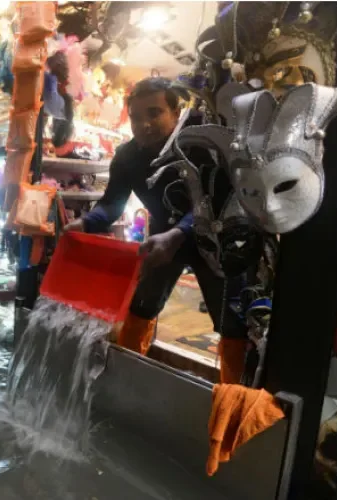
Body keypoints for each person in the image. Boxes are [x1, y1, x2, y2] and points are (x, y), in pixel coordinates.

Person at [63, 77, 247, 383]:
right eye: (135, 117)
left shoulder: (202, 139)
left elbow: (220, 197)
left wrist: (179, 234)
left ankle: (234, 397)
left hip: (216, 243)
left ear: (176, 111)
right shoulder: (126, 157)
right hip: (161, 242)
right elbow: (111, 204)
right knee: (141, 306)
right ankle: (126, 377)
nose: (143, 124)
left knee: (232, 324)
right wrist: (85, 223)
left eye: (154, 113)